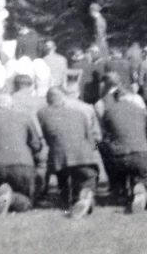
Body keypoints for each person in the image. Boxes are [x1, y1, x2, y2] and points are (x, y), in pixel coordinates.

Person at [37, 87, 100, 218]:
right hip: (84, 154)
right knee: (87, 178)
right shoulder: (79, 113)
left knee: (63, 179)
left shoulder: (42, 113)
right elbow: (89, 137)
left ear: (47, 100)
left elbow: (45, 136)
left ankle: (67, 202)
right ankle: (84, 198)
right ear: (64, 99)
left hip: (60, 156)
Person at [100, 85, 147, 212]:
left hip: (118, 155)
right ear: (131, 97)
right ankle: (146, 192)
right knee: (146, 175)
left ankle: (121, 194)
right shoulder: (142, 111)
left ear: (116, 98)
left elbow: (104, 136)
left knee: (119, 174)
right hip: (141, 153)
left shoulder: (108, 112)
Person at [0, 92, 45, 215]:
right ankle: (12, 198)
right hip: (22, 164)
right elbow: (36, 144)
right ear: (11, 104)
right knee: (27, 201)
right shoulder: (24, 117)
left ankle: (3, 195)